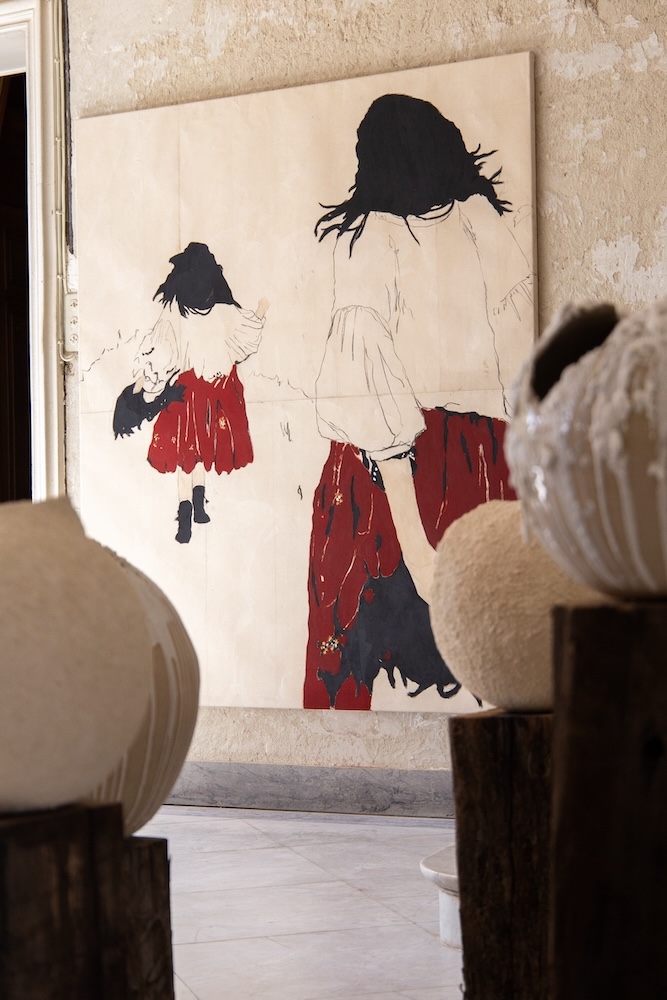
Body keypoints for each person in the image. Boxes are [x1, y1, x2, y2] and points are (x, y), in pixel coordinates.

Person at [304, 93, 533, 709]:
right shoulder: (374, 238)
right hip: (396, 467)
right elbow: (371, 394)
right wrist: (416, 543)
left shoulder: (478, 220)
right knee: (374, 646)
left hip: (475, 457)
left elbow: (522, 343)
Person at [113, 242, 266, 543]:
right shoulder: (223, 313)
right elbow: (246, 338)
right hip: (212, 394)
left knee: (188, 455)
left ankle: (189, 511)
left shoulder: (174, 313)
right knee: (200, 450)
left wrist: (146, 384)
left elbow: (161, 356)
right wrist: (261, 310)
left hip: (184, 394)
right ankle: (195, 508)